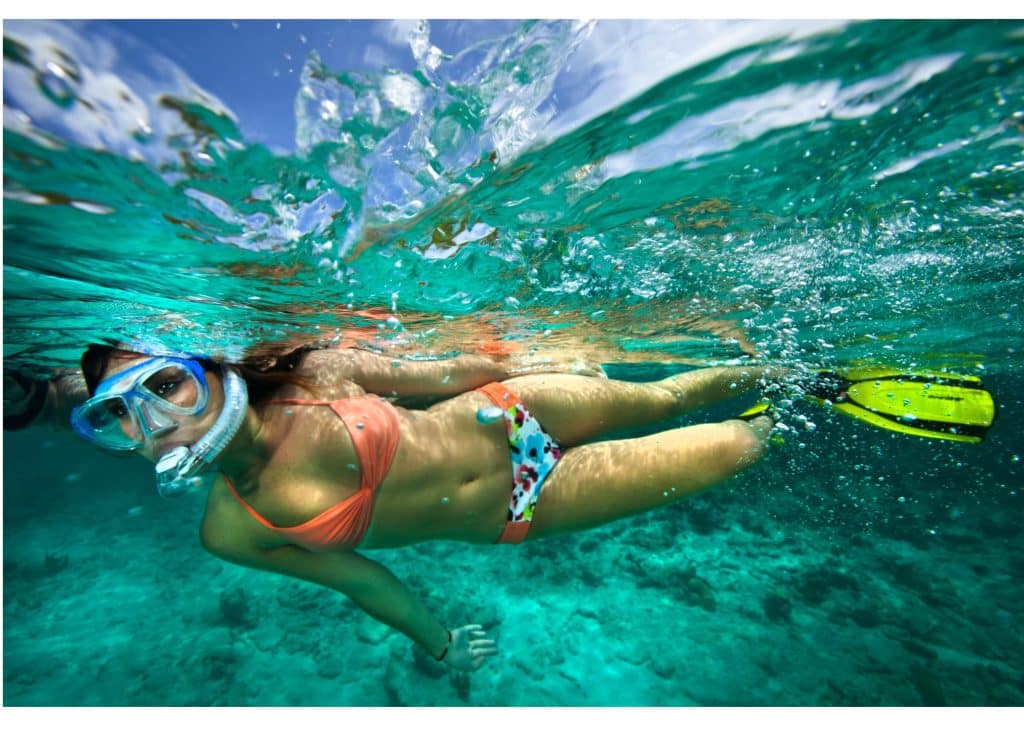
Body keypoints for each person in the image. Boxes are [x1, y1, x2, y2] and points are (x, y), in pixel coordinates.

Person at [10, 344, 778, 672]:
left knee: (663, 395)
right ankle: (789, 412)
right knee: (736, 451)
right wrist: (437, 642)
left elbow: (448, 368)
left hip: (515, 408)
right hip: (523, 505)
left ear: (208, 366)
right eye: (118, 416)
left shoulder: (314, 372)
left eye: (165, 386)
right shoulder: (230, 527)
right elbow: (361, 579)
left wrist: (546, 359)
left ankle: (793, 372)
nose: (155, 426)